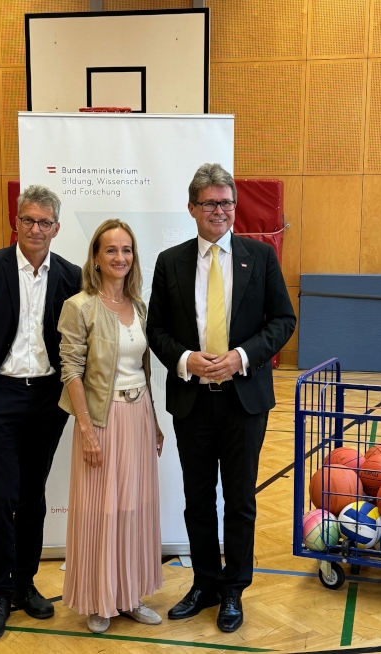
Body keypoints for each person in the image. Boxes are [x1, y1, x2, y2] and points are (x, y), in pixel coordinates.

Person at [147, 163, 296, 633]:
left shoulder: (261, 256)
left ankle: (234, 589)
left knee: (240, 501)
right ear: (192, 208)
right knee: (196, 499)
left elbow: (282, 321)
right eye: (210, 202)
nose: (220, 210)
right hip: (193, 401)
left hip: (243, 401)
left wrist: (241, 357)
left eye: (227, 202)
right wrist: (187, 358)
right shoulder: (170, 261)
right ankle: (205, 584)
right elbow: (156, 330)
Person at [0, 185, 82, 639]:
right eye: (28, 220)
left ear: (57, 228)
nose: (36, 229)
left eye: (45, 222)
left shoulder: (71, 276)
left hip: (46, 401)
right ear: (16, 222)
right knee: (1, 496)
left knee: (32, 497)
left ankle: (24, 584)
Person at [58, 219, 164, 634]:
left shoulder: (139, 307)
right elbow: (70, 370)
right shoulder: (80, 306)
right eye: (111, 250)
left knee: (135, 508)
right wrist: (86, 430)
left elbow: (143, 368)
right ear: (96, 259)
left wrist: (154, 422)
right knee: (102, 511)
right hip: (101, 421)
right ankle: (100, 599)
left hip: (138, 420)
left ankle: (130, 595)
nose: (121, 257)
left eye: (127, 250)